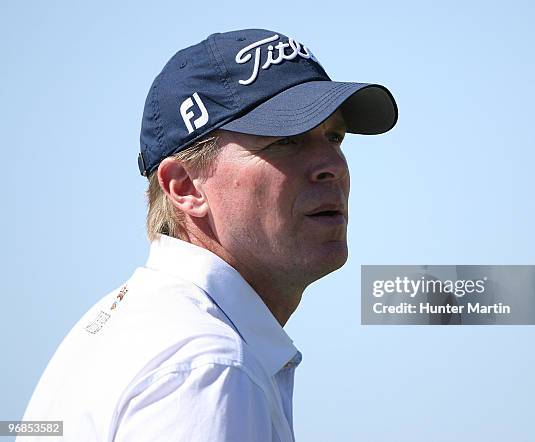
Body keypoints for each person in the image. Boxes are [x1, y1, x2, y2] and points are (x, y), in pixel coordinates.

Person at [18, 28, 398, 441]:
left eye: (333, 136)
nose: (332, 165)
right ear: (184, 186)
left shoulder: (128, 326)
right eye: (285, 141)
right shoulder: (209, 367)